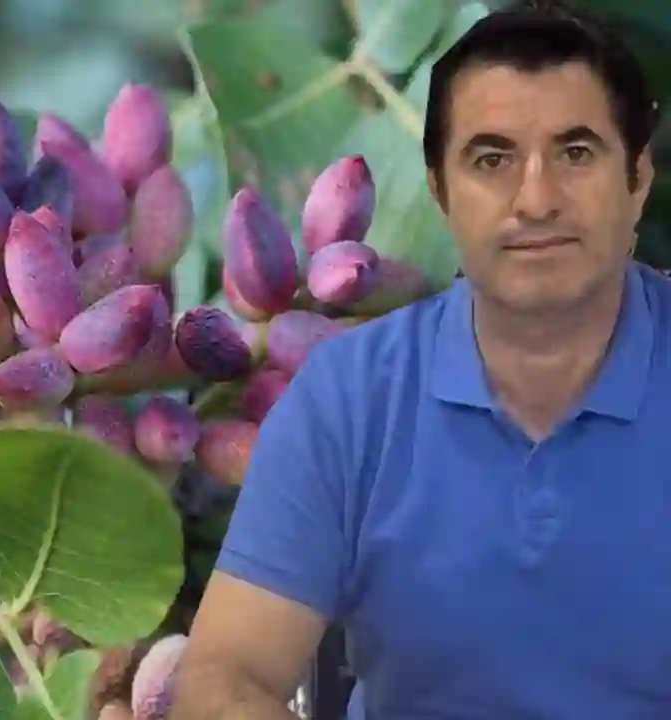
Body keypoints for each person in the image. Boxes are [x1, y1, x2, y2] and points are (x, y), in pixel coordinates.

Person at [171, 1, 671, 718]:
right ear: (437, 189)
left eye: (577, 153)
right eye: (492, 159)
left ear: (639, 178)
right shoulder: (347, 395)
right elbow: (225, 677)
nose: (536, 200)